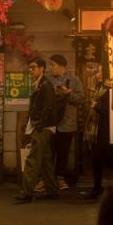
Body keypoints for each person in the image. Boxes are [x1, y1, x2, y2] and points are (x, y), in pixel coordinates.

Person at [15, 57, 59, 203]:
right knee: (45, 161)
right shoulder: (41, 84)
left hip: (43, 127)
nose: (31, 70)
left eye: (33, 67)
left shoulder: (45, 85)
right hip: (43, 126)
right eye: (30, 68)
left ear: (42, 69)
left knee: (32, 159)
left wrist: (39, 124)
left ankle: (26, 192)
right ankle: (53, 189)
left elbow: (48, 107)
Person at [44, 54, 84, 191]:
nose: (50, 68)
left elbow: (80, 99)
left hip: (67, 122)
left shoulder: (74, 80)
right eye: (50, 65)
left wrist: (68, 94)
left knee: (63, 153)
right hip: (51, 122)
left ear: (62, 66)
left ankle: (60, 178)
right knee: (49, 152)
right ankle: (46, 179)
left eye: (53, 65)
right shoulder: (47, 79)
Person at [82, 68, 111, 199]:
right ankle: (97, 186)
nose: (98, 75)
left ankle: (98, 187)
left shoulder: (108, 90)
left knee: (103, 158)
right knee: (96, 158)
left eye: (100, 72)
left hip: (104, 130)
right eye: (98, 72)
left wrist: (96, 106)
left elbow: (108, 110)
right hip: (95, 129)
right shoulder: (99, 87)